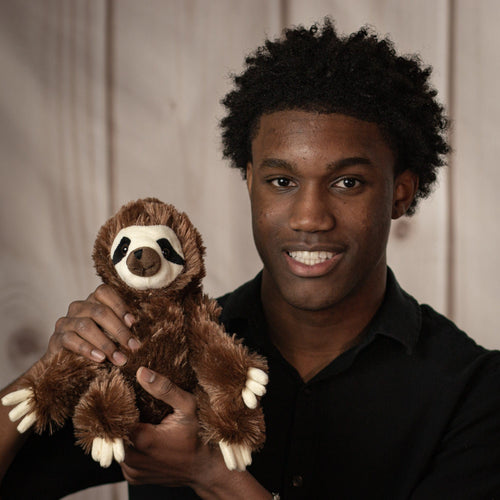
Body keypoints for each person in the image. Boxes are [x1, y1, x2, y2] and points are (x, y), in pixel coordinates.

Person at [1, 18, 500, 499]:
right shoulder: (158, 353)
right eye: (282, 181)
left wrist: (213, 476)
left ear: (401, 193)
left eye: (347, 182)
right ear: (250, 182)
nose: (309, 217)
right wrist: (47, 371)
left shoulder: (472, 393)